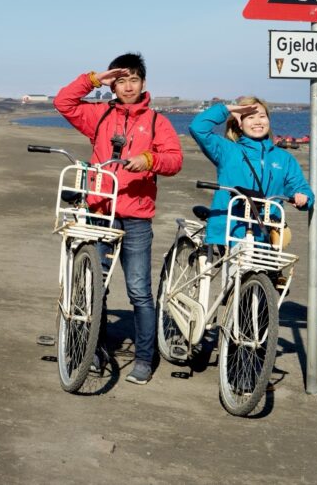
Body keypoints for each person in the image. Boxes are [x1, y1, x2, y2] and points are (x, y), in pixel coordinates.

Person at [53, 52, 183, 385]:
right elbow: (63, 102)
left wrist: (149, 159)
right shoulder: (98, 115)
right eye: (121, 80)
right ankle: (93, 352)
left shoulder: (156, 121)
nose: (127, 86)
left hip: (136, 218)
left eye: (134, 80)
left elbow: (174, 159)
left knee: (139, 290)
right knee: (96, 287)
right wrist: (95, 79)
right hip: (100, 213)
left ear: (144, 83)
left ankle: (143, 357)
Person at [189, 97, 314, 249]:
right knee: (230, 272)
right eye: (250, 117)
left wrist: (303, 197)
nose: (257, 121)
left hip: (267, 231)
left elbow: (300, 187)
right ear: (239, 124)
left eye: (262, 116)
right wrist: (228, 109)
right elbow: (198, 127)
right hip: (231, 229)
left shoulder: (283, 158)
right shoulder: (227, 150)